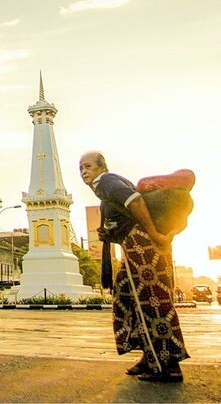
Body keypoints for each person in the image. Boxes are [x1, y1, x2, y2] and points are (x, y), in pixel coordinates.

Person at [79, 150, 189, 383]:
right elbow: (126, 216)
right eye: (81, 168)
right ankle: (149, 356)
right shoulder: (106, 188)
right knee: (127, 298)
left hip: (143, 248)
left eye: (88, 166)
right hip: (134, 248)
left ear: (102, 167)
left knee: (151, 302)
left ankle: (168, 365)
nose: (84, 172)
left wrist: (154, 234)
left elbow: (136, 202)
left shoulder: (106, 182)